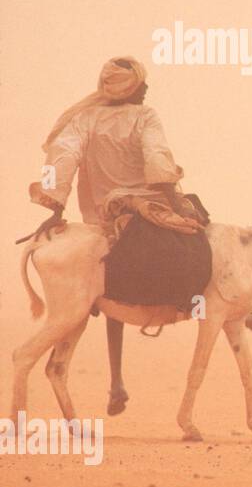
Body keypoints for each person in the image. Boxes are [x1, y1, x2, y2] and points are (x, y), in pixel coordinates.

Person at [27, 56, 192, 416]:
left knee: (108, 292)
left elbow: (63, 156)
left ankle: (116, 382)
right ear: (134, 88)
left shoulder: (84, 120)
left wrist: (56, 206)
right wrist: (174, 200)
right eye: (143, 85)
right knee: (198, 239)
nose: (147, 91)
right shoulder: (145, 117)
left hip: (96, 223)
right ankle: (193, 306)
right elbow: (157, 155)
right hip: (139, 216)